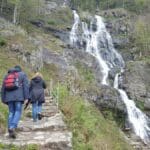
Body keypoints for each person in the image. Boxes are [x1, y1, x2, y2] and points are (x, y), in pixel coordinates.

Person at [1, 65, 29, 138]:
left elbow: (3, 88)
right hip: (18, 97)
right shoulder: (22, 74)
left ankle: (10, 129)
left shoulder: (7, 75)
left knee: (11, 112)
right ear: (20, 69)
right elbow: (26, 87)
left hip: (9, 98)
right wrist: (26, 98)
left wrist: (3, 99)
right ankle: (12, 127)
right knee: (17, 111)